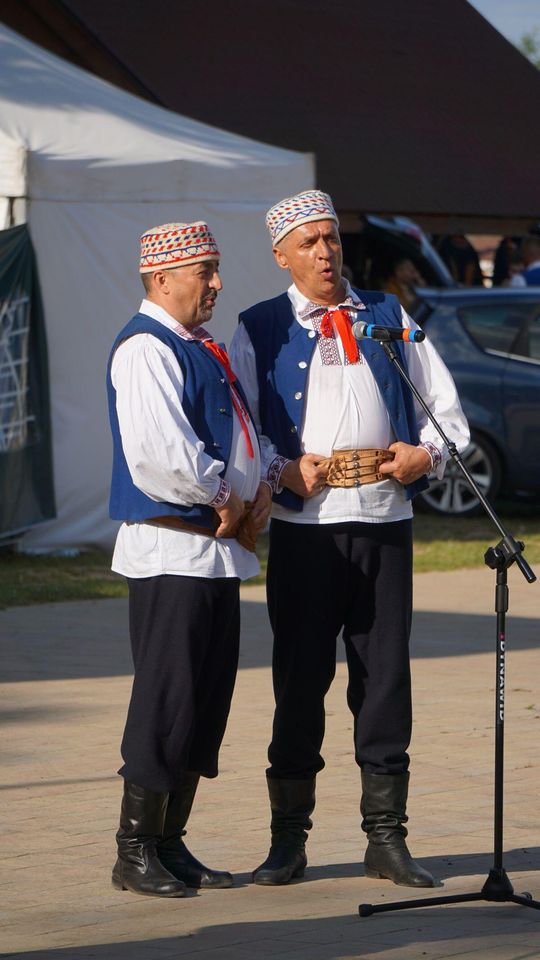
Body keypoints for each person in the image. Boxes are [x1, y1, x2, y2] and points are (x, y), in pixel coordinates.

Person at [230, 190, 469, 889]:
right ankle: (287, 841)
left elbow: (444, 408)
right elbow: (245, 431)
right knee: (301, 680)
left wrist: (428, 455)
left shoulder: (389, 315)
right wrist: (280, 469)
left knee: (386, 680)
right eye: (309, 242)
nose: (326, 252)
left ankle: (386, 839)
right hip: (309, 534)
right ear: (282, 255)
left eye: (331, 238)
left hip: (386, 522)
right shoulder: (261, 327)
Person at [106, 220, 271, 898]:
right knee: (166, 702)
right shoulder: (146, 349)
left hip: (213, 554)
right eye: (205, 271)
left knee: (203, 705)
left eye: (216, 268)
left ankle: (170, 843)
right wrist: (230, 496)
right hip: (173, 552)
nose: (217, 284)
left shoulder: (197, 345)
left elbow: (238, 433)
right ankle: (134, 850)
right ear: (163, 278)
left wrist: (265, 483)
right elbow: (159, 456)